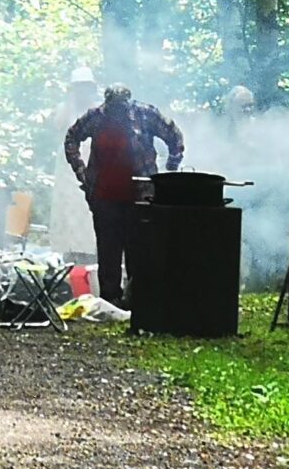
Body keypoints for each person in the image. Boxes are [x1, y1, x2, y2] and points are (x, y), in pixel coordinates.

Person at [64, 84, 185, 308]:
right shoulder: (96, 117)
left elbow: (173, 135)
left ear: (128, 103)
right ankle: (110, 299)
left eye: (120, 107)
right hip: (103, 194)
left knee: (138, 247)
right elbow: (71, 138)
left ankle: (137, 298)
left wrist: (172, 167)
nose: (116, 112)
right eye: (112, 107)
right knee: (108, 248)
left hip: (140, 194)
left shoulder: (145, 114)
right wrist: (81, 171)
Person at [47, 66, 100, 262]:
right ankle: (69, 254)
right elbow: (58, 125)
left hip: (91, 164)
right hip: (67, 167)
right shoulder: (64, 109)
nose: (82, 91)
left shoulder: (97, 110)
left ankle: (90, 255)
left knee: (88, 210)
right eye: (78, 87)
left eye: (86, 86)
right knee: (67, 208)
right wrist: (69, 102)